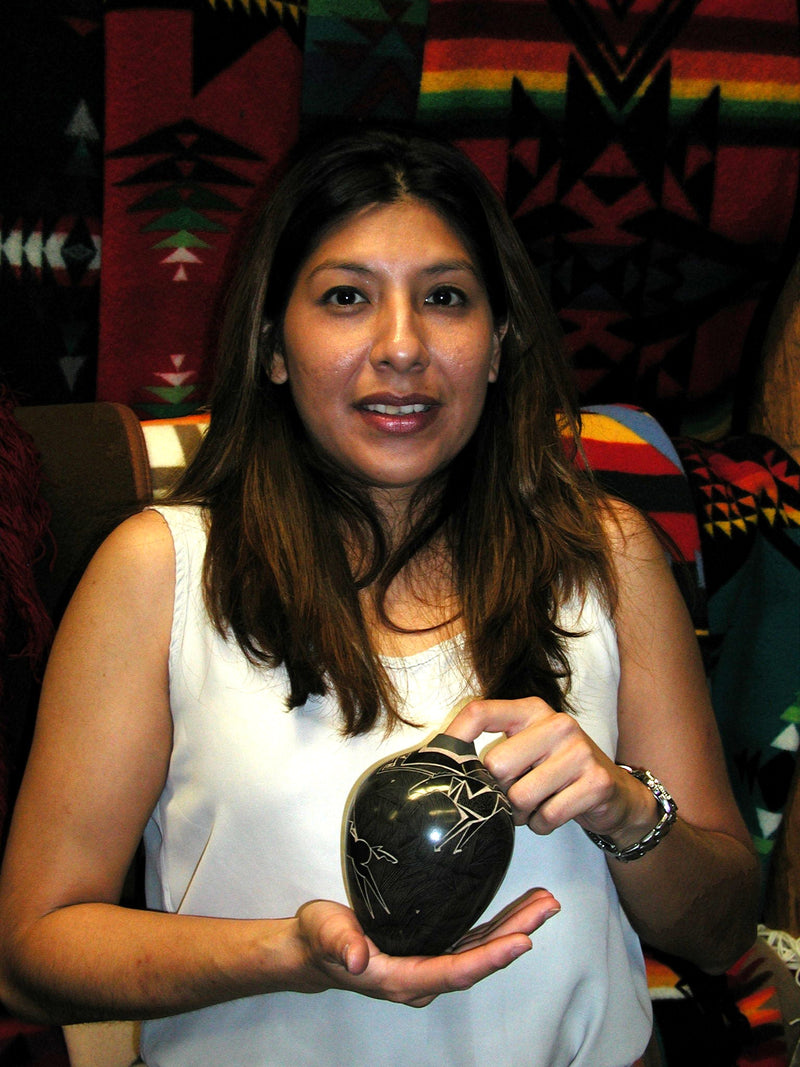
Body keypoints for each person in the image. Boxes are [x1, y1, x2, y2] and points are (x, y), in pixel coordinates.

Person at [0, 126, 759, 1067]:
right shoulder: (159, 574)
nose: (401, 347)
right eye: (346, 297)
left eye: (445, 298)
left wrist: (626, 810)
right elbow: (30, 954)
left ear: (497, 344)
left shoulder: (606, 559)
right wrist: (291, 951)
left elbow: (727, 928)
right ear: (273, 345)